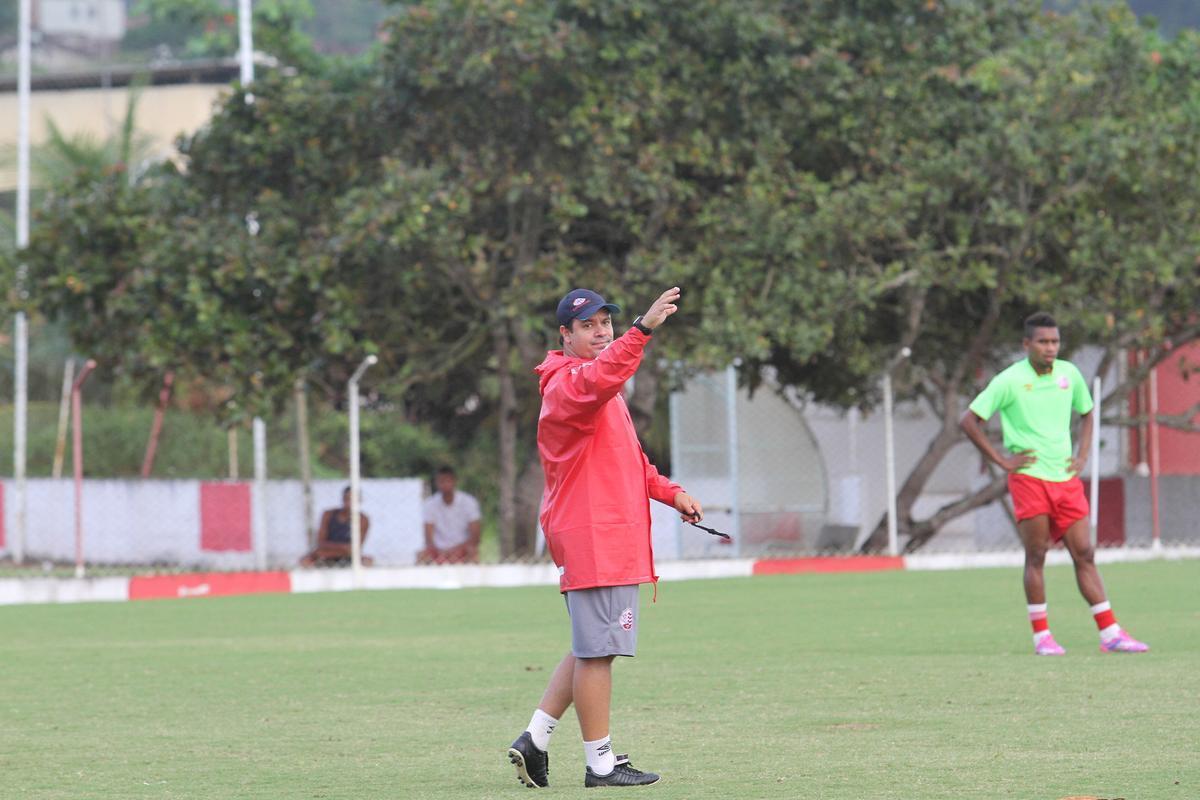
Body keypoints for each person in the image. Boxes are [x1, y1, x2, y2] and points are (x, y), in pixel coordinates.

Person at [506, 286, 704, 789]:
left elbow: (630, 460)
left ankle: (535, 737)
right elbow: (604, 374)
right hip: (594, 534)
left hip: (603, 534)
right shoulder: (569, 384)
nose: (601, 332)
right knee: (597, 652)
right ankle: (601, 765)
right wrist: (643, 330)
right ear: (565, 335)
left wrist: (671, 492)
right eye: (589, 325)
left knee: (591, 645)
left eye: (606, 324)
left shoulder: (596, 388)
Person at [960, 312, 1148, 656]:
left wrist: (1083, 454)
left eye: (1055, 342)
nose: (1050, 348)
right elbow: (968, 420)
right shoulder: (1009, 380)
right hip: (1030, 479)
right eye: (1043, 342)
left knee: (1085, 553)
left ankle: (1110, 634)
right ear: (1027, 344)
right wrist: (1001, 460)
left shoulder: (1069, 374)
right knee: (1037, 554)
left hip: (1065, 479)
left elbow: (1088, 412)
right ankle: (1042, 636)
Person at [417, 466, 482, 564]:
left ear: (455, 481)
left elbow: (475, 536)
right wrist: (441, 551)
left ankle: (475, 579)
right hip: (439, 550)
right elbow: (428, 539)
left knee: (473, 551)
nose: (445, 485)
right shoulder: (430, 504)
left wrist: (457, 550)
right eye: (441, 481)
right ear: (436, 483)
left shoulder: (469, 502)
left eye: (447, 481)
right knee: (421, 555)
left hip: (462, 549)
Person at [299, 486, 372, 567]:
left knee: (368, 561)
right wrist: (342, 547)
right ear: (343, 499)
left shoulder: (363, 519)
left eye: (353, 500)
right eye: (347, 499)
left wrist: (337, 548)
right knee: (305, 560)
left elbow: (355, 548)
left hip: (346, 556)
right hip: (326, 553)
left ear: (359, 501)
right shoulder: (328, 514)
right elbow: (321, 542)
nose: (350, 502)